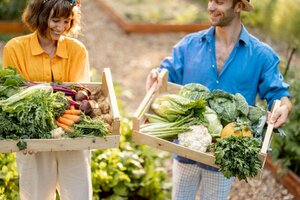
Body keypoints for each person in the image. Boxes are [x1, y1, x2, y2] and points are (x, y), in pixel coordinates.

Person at [146, 0, 292, 199]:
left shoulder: (261, 55)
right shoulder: (189, 45)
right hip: (185, 148)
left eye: (220, 2)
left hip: (224, 156)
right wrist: (156, 75)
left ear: (238, 6)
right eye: (210, 0)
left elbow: (278, 94)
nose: (211, 7)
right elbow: (166, 72)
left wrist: (284, 106)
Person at [2, 0, 91, 199]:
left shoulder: (77, 50)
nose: (61, 28)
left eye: (67, 21)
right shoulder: (15, 48)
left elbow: (75, 95)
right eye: (55, 20)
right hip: (33, 137)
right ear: (40, 16)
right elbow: (15, 94)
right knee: (36, 195)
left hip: (70, 133)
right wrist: (25, 133)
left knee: (78, 194)